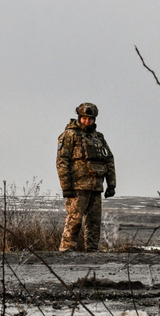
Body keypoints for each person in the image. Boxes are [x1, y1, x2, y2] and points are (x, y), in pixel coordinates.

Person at [56, 102, 116, 251]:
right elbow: (62, 161)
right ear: (79, 117)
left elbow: (108, 159)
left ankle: (92, 251)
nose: (87, 121)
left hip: (96, 186)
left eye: (90, 119)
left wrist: (111, 184)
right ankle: (66, 250)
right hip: (77, 186)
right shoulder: (70, 135)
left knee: (94, 222)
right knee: (74, 220)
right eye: (84, 118)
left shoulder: (98, 137)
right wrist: (66, 186)